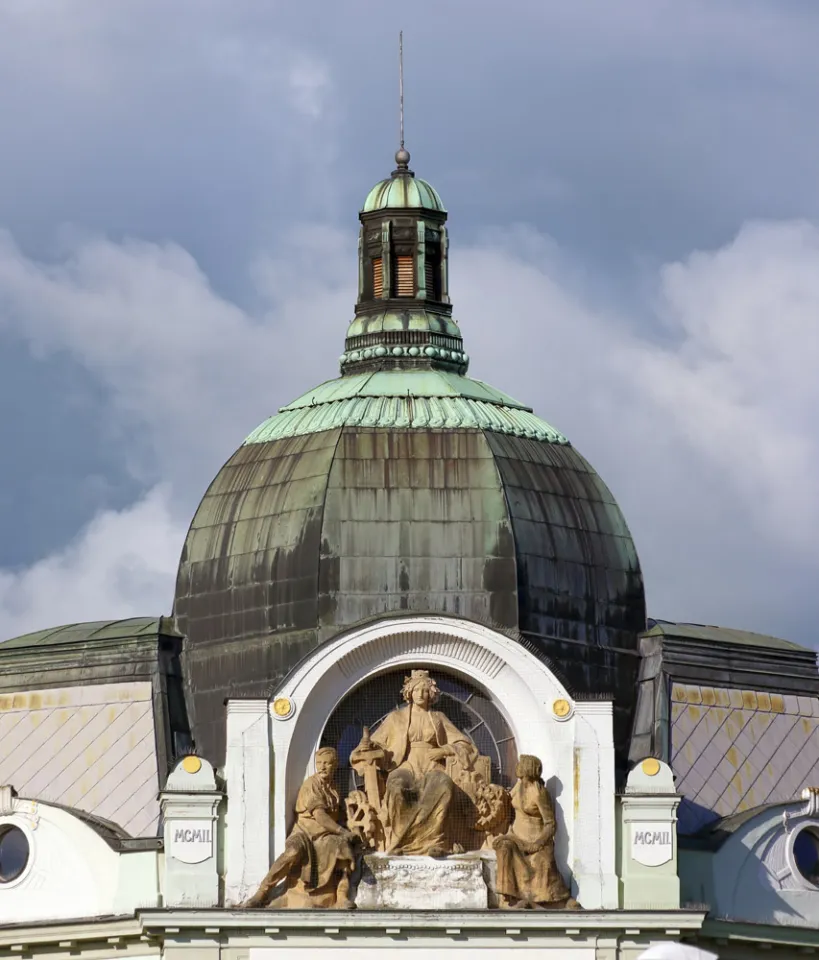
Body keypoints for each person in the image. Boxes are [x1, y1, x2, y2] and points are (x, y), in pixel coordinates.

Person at [351, 669, 479, 856]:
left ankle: (436, 842)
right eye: (417, 689)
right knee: (396, 788)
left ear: (431, 694)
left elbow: (464, 744)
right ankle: (401, 842)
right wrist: (368, 746)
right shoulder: (396, 718)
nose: (421, 693)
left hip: (432, 766)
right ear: (409, 692)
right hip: (405, 765)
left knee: (443, 785)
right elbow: (377, 744)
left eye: (425, 690)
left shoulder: (438, 718)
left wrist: (443, 750)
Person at [242, 747, 358, 909]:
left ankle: (341, 896)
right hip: (303, 833)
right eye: (319, 763)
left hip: (323, 836)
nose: (322, 767)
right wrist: (342, 831)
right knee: (292, 852)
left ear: (335, 765)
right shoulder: (311, 784)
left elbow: (337, 815)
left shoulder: (334, 788)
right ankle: (262, 892)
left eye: (326, 763)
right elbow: (320, 815)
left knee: (343, 849)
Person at [493, 754, 579, 909]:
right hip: (517, 837)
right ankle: (509, 899)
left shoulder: (539, 793)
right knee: (503, 847)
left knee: (541, 861)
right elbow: (506, 799)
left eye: (521, 763)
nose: (517, 766)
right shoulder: (519, 787)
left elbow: (550, 823)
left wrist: (538, 843)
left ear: (528, 768)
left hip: (536, 841)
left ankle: (548, 901)